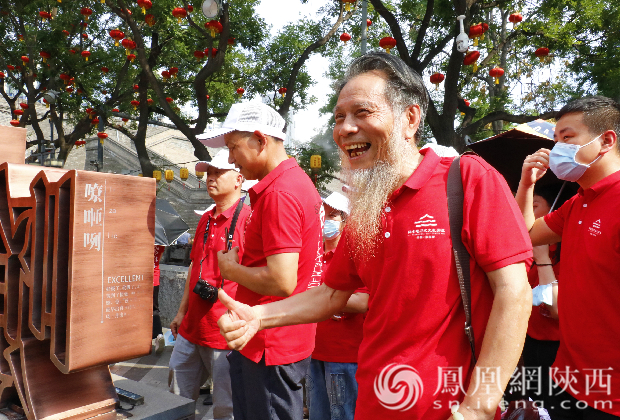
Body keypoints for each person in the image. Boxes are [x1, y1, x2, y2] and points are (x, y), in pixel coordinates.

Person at [217, 52, 533, 420]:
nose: (345, 128)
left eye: (362, 113)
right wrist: (259, 317)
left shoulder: (466, 179)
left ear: (410, 118)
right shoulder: (367, 206)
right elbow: (332, 293)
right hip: (372, 403)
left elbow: (514, 292)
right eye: (338, 117)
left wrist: (478, 406)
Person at [198, 102, 324, 420]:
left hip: (269, 343)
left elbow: (282, 281)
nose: (229, 159)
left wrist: (231, 269)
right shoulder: (291, 184)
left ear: (259, 139)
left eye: (233, 147)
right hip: (270, 339)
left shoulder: (279, 193)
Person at [516, 96, 620, 419]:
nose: (557, 147)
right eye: (556, 138)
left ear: (606, 140)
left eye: (567, 137)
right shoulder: (577, 204)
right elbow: (526, 234)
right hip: (568, 377)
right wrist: (526, 184)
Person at [168, 149, 250, 419]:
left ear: (239, 178)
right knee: (174, 399)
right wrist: (181, 312)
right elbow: (194, 266)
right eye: (208, 173)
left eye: (218, 172)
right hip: (192, 327)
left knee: (227, 406)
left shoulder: (249, 220)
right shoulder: (205, 218)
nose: (210, 178)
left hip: (225, 332)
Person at [307, 192, 369, 420]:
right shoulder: (314, 255)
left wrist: (325, 301)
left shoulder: (356, 254)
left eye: (333, 215)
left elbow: (364, 301)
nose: (326, 221)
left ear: (346, 221)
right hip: (314, 351)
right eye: (324, 215)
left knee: (342, 415)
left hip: (344, 355)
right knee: (317, 414)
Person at [153, 244, 166, 354]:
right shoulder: (160, 243)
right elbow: (159, 259)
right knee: (154, 309)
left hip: (141, 278)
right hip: (155, 279)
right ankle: (159, 334)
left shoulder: (143, 240)